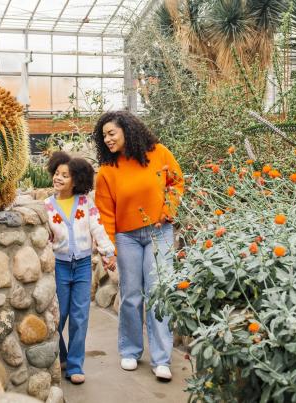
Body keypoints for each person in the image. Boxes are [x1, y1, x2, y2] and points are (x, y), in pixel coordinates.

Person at [93, 111, 184, 381]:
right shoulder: (108, 170)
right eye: (104, 136)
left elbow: (176, 182)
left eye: (112, 133)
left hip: (159, 232)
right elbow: (105, 213)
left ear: (127, 130)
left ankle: (161, 359)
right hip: (127, 237)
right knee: (131, 295)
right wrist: (109, 250)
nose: (107, 139)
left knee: (157, 293)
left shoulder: (158, 153)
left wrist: (168, 210)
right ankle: (130, 351)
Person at [44, 151, 117, 385]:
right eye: (57, 173)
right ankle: (63, 355)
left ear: (76, 180)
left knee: (79, 317)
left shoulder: (85, 203)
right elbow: (44, 238)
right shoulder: (47, 206)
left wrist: (107, 252)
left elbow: (97, 228)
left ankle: (75, 365)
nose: (59, 178)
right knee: (59, 316)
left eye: (65, 175)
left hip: (84, 266)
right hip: (61, 267)